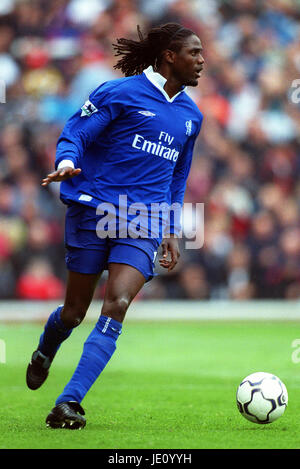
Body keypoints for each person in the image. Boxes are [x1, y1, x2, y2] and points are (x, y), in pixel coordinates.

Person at [26, 22, 204, 429]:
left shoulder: (191, 116)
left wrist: (172, 228)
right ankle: (45, 349)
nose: (202, 60)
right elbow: (77, 132)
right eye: (194, 53)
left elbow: (177, 178)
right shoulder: (119, 93)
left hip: (144, 219)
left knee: (118, 303)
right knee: (73, 313)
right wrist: (67, 162)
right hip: (95, 211)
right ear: (169, 56)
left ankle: (68, 402)